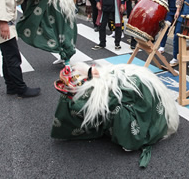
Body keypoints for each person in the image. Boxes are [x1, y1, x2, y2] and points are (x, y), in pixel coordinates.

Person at [51, 62, 179, 168]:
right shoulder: (99, 82)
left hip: (143, 101)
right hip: (134, 92)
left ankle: (131, 137)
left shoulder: (105, 89)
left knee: (117, 108)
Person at [0, 0, 41, 98]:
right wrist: (2, 22)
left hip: (5, 21)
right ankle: (20, 89)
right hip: (3, 22)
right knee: (13, 56)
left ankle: (11, 86)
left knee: (7, 56)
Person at [17, 0, 77, 67]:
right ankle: (62, 55)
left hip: (59, 8)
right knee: (52, 30)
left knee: (63, 31)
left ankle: (67, 58)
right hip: (48, 8)